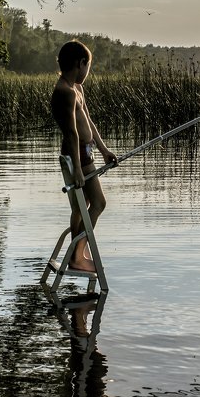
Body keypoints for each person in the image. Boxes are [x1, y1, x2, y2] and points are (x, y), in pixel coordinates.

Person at [51, 40, 117, 272]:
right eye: (88, 66)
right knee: (97, 203)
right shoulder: (64, 92)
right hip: (76, 155)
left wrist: (104, 150)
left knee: (84, 206)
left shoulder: (77, 89)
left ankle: (78, 253)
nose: (88, 72)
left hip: (86, 154)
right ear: (80, 63)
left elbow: (88, 122)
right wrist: (78, 169)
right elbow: (71, 134)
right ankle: (76, 256)